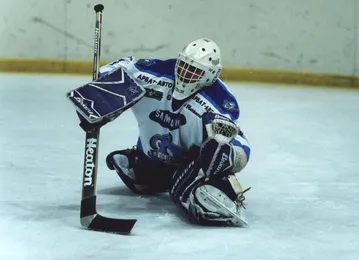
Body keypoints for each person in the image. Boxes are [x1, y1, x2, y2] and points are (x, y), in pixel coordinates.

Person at [97, 38, 251, 226]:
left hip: (187, 163)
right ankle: (141, 163)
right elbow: (123, 67)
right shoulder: (156, 74)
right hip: (151, 157)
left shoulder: (218, 103)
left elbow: (240, 145)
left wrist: (231, 156)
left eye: (195, 71)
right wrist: (100, 90)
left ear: (211, 75)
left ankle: (218, 187)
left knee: (201, 198)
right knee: (140, 182)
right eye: (184, 65)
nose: (185, 73)